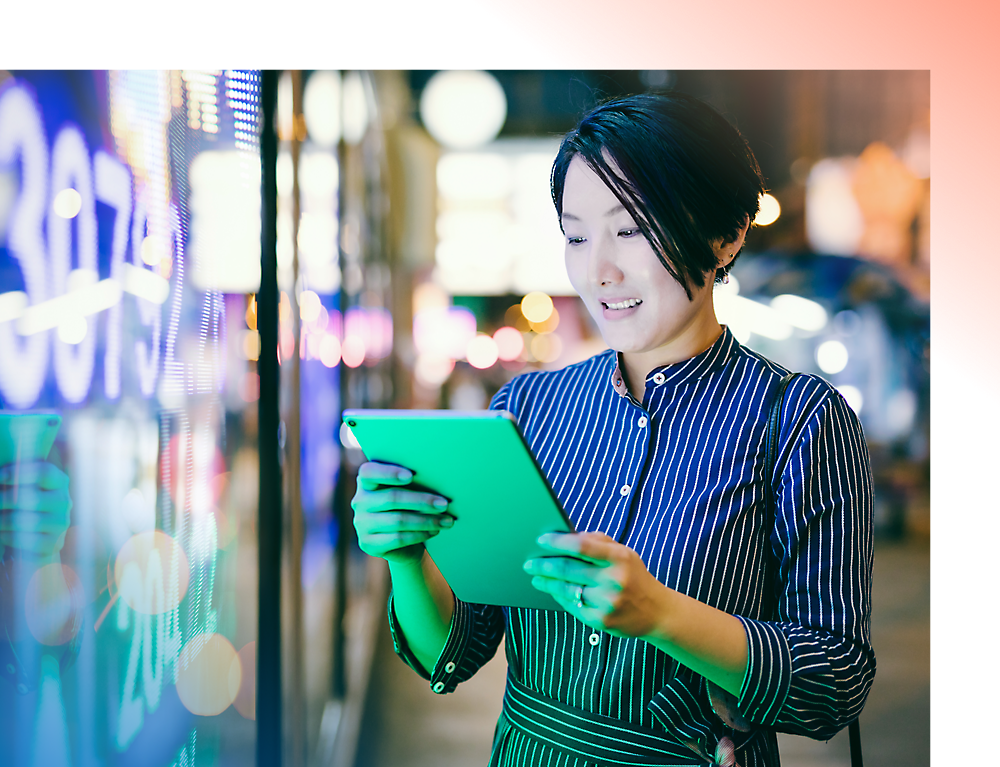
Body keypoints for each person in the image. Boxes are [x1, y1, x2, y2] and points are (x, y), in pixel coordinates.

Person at [352, 92, 875, 767]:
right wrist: (404, 554)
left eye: (629, 228)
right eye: (575, 235)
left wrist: (662, 613)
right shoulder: (528, 408)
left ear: (725, 235)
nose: (597, 268)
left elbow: (835, 683)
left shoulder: (801, 421)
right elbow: (454, 650)